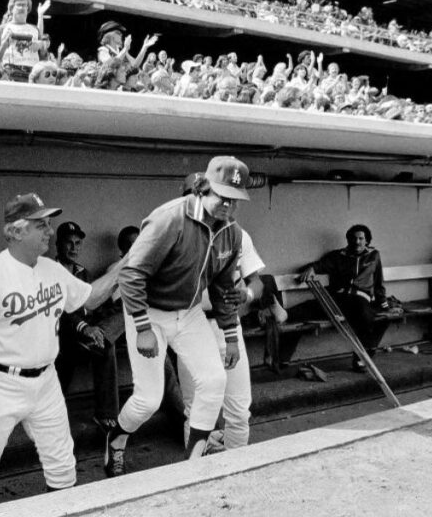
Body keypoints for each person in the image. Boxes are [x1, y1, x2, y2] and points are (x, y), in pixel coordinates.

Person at [0, 193, 120, 511]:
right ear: (16, 231)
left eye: (49, 224)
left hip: (46, 381)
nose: (49, 231)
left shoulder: (52, 270)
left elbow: (90, 299)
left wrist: (126, 265)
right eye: (41, 225)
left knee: (64, 468)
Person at [104, 156, 248, 477]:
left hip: (190, 312)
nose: (228, 204)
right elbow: (130, 275)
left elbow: (225, 286)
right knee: (148, 400)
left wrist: (230, 335)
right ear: (203, 187)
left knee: (214, 380)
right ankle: (117, 438)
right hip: (149, 312)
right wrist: (142, 327)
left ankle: (193, 467)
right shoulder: (170, 217)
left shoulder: (231, 232)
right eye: (222, 195)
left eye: (235, 199)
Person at [175, 173, 283, 452]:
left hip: (227, 328)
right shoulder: (174, 232)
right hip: (191, 327)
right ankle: (196, 472)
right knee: (195, 408)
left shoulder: (236, 234)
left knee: (238, 410)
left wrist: (246, 294)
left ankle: (237, 467)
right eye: (193, 193)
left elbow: (256, 282)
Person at [52, 222, 120, 432]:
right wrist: (84, 328)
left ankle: (105, 414)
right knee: (104, 347)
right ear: (58, 245)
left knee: (118, 317)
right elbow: (60, 309)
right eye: (69, 243)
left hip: (85, 333)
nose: (74, 248)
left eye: (78, 243)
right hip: (61, 338)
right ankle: (100, 337)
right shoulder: (50, 271)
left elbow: (91, 304)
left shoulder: (83, 272)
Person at [298, 224, 390, 371]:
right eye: (353, 238)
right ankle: (272, 316)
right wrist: (312, 268)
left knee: (374, 318)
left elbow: (378, 282)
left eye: (361, 238)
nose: (357, 242)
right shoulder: (338, 255)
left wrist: (384, 303)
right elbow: (321, 265)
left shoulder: (373, 256)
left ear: (367, 240)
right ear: (348, 240)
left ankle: (362, 358)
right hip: (340, 298)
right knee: (307, 308)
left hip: (361, 298)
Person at [0, 0, 47, 82]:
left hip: (31, 76)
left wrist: (41, 46)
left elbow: (44, 59)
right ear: (11, 8)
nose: (21, 8)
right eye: (18, 5)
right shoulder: (0, 30)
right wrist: (4, 46)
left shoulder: (35, 30)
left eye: (24, 5)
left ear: (28, 8)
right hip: (9, 75)